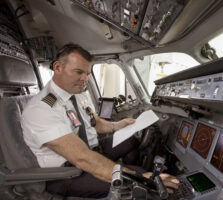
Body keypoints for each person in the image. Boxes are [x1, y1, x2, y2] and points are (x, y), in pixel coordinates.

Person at [21, 43, 179, 198]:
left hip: (91, 149)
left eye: (87, 73)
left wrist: (117, 125)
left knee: (132, 140)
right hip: (68, 173)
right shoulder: (41, 109)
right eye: (78, 72)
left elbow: (93, 121)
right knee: (140, 182)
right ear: (57, 68)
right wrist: (142, 178)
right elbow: (81, 157)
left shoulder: (78, 93)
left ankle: (123, 170)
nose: (84, 79)